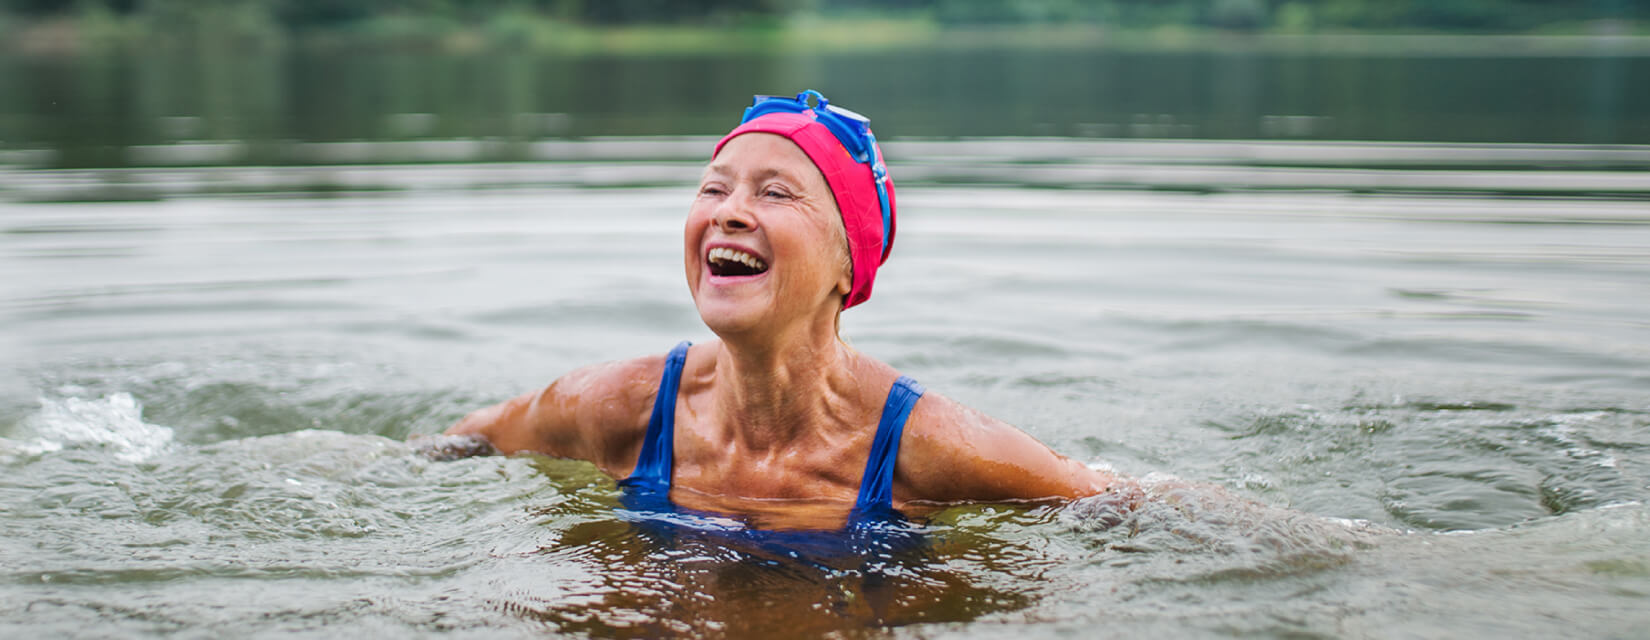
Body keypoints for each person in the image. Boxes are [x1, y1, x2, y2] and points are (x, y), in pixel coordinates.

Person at [442, 90, 1128, 530]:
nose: (730, 212)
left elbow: (1120, 501)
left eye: (775, 194)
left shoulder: (928, 446)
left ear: (847, 266)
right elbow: (461, 445)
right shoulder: (618, 405)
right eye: (714, 188)